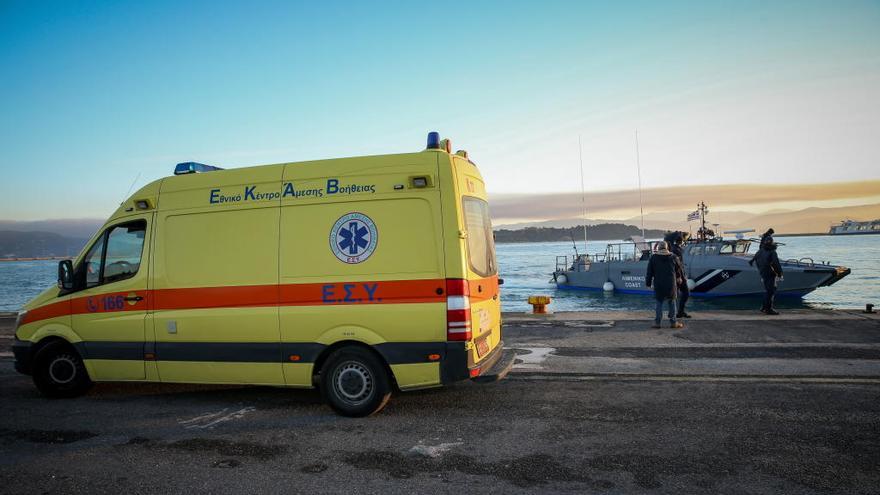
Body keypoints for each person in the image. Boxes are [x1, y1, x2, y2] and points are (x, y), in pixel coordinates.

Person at [646, 241, 685, 329]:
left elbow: (649, 272)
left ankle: (657, 323)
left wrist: (648, 284)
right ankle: (673, 322)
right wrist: (679, 278)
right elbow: (679, 269)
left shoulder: (653, 258)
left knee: (659, 303)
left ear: (659, 248)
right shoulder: (673, 257)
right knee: (671, 302)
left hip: (658, 284)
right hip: (671, 283)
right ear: (667, 248)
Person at [749, 228, 783, 315]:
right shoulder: (772, 252)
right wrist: (780, 273)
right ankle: (768, 309)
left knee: (769, 290)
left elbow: (753, 259)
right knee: (771, 290)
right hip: (769, 273)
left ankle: (764, 307)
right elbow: (776, 263)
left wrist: (759, 268)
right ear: (772, 242)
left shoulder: (760, 251)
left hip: (763, 273)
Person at [668, 231, 691, 319]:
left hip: (679, 275)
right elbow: (677, 265)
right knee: (683, 293)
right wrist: (679, 276)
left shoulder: (676, 249)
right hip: (678, 276)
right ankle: (677, 312)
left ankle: (679, 312)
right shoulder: (676, 250)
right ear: (681, 241)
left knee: (678, 294)